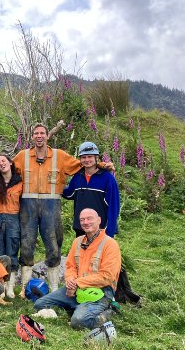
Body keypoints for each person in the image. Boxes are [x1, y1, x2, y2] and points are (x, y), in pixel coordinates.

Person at [12, 123, 114, 296]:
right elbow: (6, 169)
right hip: (27, 208)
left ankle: (53, 288)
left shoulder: (60, 156)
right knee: (27, 245)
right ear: (31, 137)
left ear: (47, 136)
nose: (39, 136)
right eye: (35, 133)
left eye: (42, 133)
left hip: (51, 208)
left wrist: (103, 165)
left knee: (53, 246)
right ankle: (24, 289)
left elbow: (82, 164)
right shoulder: (22, 156)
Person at [33, 208, 121, 330]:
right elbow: (70, 266)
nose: (86, 222)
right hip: (76, 288)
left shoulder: (110, 244)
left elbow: (106, 277)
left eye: (89, 218)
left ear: (99, 220)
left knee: (79, 321)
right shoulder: (77, 241)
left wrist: (76, 284)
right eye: (82, 220)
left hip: (101, 291)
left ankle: (109, 311)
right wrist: (70, 283)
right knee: (40, 304)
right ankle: (80, 307)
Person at [63, 142, 120, 238]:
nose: (87, 160)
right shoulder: (78, 177)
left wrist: (109, 230)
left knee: (99, 253)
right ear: (80, 159)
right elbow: (70, 193)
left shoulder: (108, 178)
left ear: (96, 158)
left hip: (101, 228)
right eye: (83, 157)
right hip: (82, 227)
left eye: (90, 156)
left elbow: (114, 205)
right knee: (82, 253)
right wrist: (53, 188)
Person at [0, 153, 23, 299]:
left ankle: (10, 287)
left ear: (10, 162)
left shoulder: (20, 183)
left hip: (13, 220)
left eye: (4, 161)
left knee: (13, 252)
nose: (1, 163)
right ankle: (0, 287)